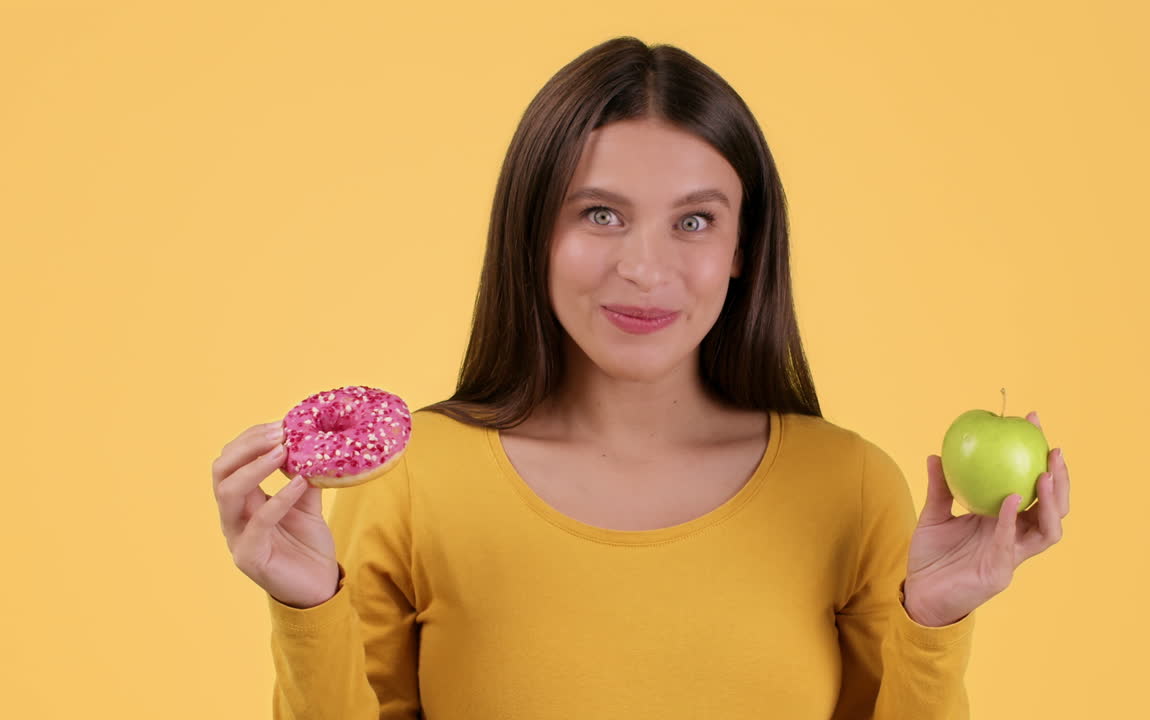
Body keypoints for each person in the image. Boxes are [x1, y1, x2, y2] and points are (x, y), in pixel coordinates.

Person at [212, 35, 1070, 719]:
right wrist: (307, 606)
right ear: (533, 232)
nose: (646, 268)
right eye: (600, 214)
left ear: (743, 249)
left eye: (694, 220)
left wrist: (937, 621)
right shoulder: (412, 483)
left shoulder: (849, 486)